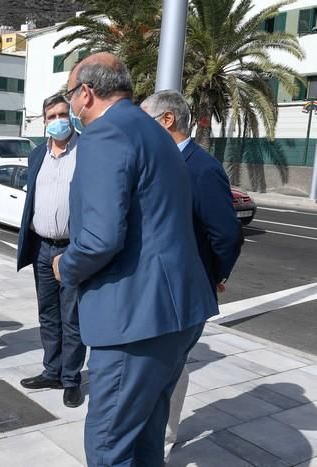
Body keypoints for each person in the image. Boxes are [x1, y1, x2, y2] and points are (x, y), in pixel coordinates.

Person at [53, 53, 218, 466]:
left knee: (109, 445)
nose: (70, 108)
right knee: (145, 434)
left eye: (70, 97)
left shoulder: (105, 135)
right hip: (176, 314)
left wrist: (64, 267)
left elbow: (99, 239)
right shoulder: (154, 130)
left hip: (133, 321)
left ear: (86, 93)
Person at [141, 89, 243, 458]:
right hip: (159, 290)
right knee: (165, 371)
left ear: (166, 120)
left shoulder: (201, 168)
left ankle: (161, 441)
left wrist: (213, 276)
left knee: (166, 373)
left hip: (184, 293)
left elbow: (227, 235)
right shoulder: (162, 162)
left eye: (144, 120)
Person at [16, 94, 86, 408]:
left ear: (71, 116)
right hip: (42, 248)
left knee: (72, 319)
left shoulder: (87, 151)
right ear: (44, 121)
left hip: (72, 249)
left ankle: (71, 379)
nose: (57, 120)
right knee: (48, 316)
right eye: (51, 116)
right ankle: (52, 370)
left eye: (62, 113)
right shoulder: (36, 156)